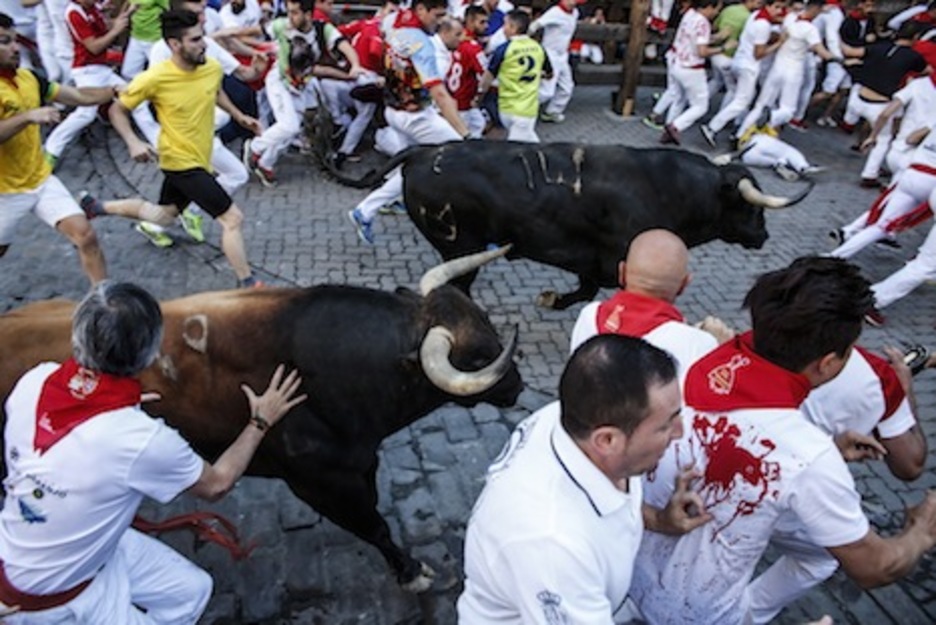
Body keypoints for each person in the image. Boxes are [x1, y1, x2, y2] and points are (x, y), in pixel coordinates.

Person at [629, 256, 936, 625]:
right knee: (824, 552)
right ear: (827, 363)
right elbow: (873, 567)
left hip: (621, 567)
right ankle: (746, 615)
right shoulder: (808, 456)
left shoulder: (676, 352)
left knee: (819, 549)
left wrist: (828, 450)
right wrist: (921, 532)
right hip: (696, 615)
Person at [0, 281, 307, 624]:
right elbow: (217, 484)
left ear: (77, 338)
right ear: (149, 355)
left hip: (59, 550)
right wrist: (260, 421)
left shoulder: (35, 380)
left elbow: (75, 435)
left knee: (192, 589)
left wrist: (119, 405)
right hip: (53, 603)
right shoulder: (141, 440)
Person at [457, 334, 711, 623]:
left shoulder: (572, 418)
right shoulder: (554, 545)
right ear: (607, 440)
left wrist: (658, 519)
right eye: (665, 425)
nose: (679, 432)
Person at [77, 9, 266, 288]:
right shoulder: (155, 78)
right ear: (175, 44)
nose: (203, 44)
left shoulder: (211, 68)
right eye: (195, 40)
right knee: (232, 218)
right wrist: (133, 142)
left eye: (202, 37)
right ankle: (248, 283)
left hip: (201, 156)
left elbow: (215, 91)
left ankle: (97, 207)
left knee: (162, 216)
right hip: (179, 162)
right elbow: (117, 109)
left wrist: (239, 116)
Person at [347, 0, 470, 245]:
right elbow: (439, 94)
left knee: (410, 168)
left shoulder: (395, 22)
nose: (440, 22)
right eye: (437, 15)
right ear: (421, 10)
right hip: (415, 115)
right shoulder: (422, 43)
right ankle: (471, 223)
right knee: (461, 155)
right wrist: (465, 134)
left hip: (393, 110)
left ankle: (365, 211)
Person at [0, 11, 109, 284]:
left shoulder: (30, 78)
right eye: (5, 42)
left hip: (40, 179)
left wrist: (116, 91)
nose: (15, 48)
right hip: (5, 193)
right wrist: (27, 117)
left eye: (14, 40)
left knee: (85, 235)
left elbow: (79, 96)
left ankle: (104, 297)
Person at [570, 229, 725, 380]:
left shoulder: (589, 316)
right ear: (683, 285)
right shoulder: (698, 344)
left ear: (622, 273)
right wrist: (723, 351)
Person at [243, 0, 362, 186]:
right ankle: (255, 147)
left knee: (292, 131)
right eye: (289, 12)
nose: (290, 17)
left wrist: (355, 64)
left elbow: (343, 45)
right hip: (279, 81)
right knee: (288, 126)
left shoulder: (322, 30)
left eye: (295, 13)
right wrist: (227, 36)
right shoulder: (281, 25)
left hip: (301, 86)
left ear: (308, 15)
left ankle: (265, 164)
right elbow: (254, 32)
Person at [43, 0, 160, 167]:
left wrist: (123, 16)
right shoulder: (74, 13)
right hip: (87, 71)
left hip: (101, 69)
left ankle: (159, 142)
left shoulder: (93, 7)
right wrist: (116, 29)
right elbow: (94, 47)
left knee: (135, 101)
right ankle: (51, 151)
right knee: (86, 114)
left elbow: (107, 27)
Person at [700, 0, 787, 148]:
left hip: (739, 61)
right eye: (776, 7)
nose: (779, 11)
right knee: (741, 102)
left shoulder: (755, 16)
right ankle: (713, 127)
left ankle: (736, 128)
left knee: (739, 96)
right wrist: (779, 43)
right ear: (767, 6)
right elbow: (759, 53)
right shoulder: (763, 25)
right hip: (749, 67)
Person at [658, 0, 728, 145]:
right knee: (700, 106)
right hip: (691, 69)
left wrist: (717, 37)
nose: (717, 13)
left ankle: (668, 129)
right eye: (716, 9)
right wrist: (723, 48)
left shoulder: (689, 14)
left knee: (678, 99)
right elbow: (702, 51)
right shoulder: (703, 23)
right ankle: (675, 126)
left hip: (676, 62)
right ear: (709, 6)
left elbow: (694, 39)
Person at [476, 9, 550, 142]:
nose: (503, 29)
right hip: (527, 108)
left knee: (525, 143)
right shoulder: (538, 48)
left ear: (513, 28)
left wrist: (479, 97)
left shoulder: (503, 49)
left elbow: (487, 77)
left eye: (505, 25)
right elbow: (549, 73)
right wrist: (536, 74)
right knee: (521, 145)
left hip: (506, 107)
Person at [529, 0, 578, 123]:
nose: (573, 3)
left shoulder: (575, 13)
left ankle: (552, 112)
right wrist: (523, 37)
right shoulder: (555, 12)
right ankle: (523, 108)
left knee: (567, 87)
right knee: (547, 92)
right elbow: (536, 24)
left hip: (563, 55)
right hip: (550, 55)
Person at [447, 5, 488, 139]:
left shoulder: (453, 41)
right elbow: (486, 75)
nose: (486, 26)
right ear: (470, 21)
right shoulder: (472, 47)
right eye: (482, 22)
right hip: (463, 104)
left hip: (453, 98)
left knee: (479, 123)